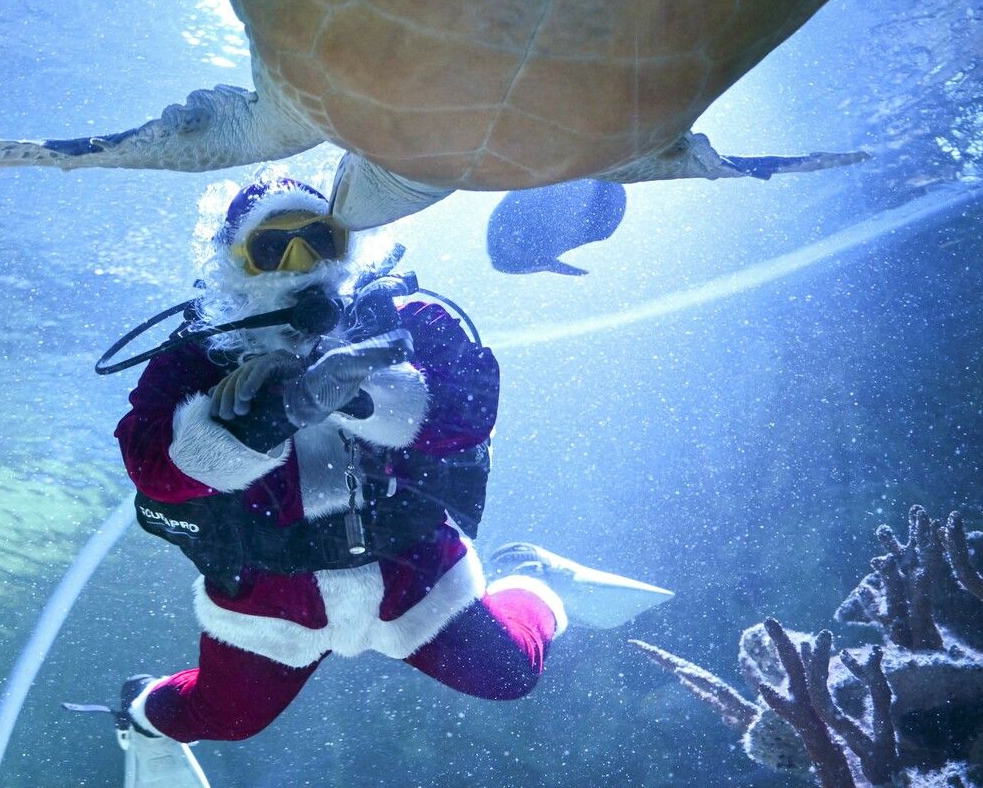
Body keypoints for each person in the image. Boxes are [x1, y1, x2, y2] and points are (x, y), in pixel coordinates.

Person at [112, 177, 673, 762]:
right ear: (234, 262)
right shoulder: (196, 356)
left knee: (508, 673)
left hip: (411, 566)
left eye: (319, 240)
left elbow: (469, 415)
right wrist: (270, 416)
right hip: (269, 590)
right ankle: (138, 710)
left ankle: (532, 577)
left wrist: (360, 392)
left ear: (349, 245)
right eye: (273, 248)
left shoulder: (411, 320)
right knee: (218, 717)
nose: (300, 263)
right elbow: (150, 468)